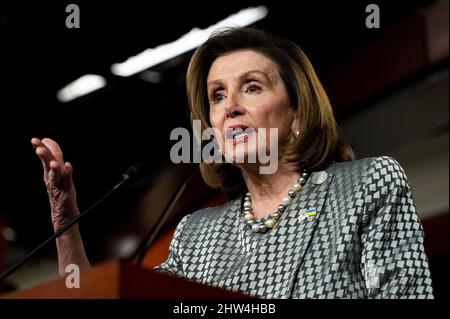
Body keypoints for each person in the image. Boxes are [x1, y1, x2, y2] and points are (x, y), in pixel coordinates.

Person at [31, 27, 433, 299]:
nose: (230, 108)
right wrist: (66, 220)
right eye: (218, 96)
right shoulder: (197, 233)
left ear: (297, 114)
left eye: (252, 87)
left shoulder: (367, 185)